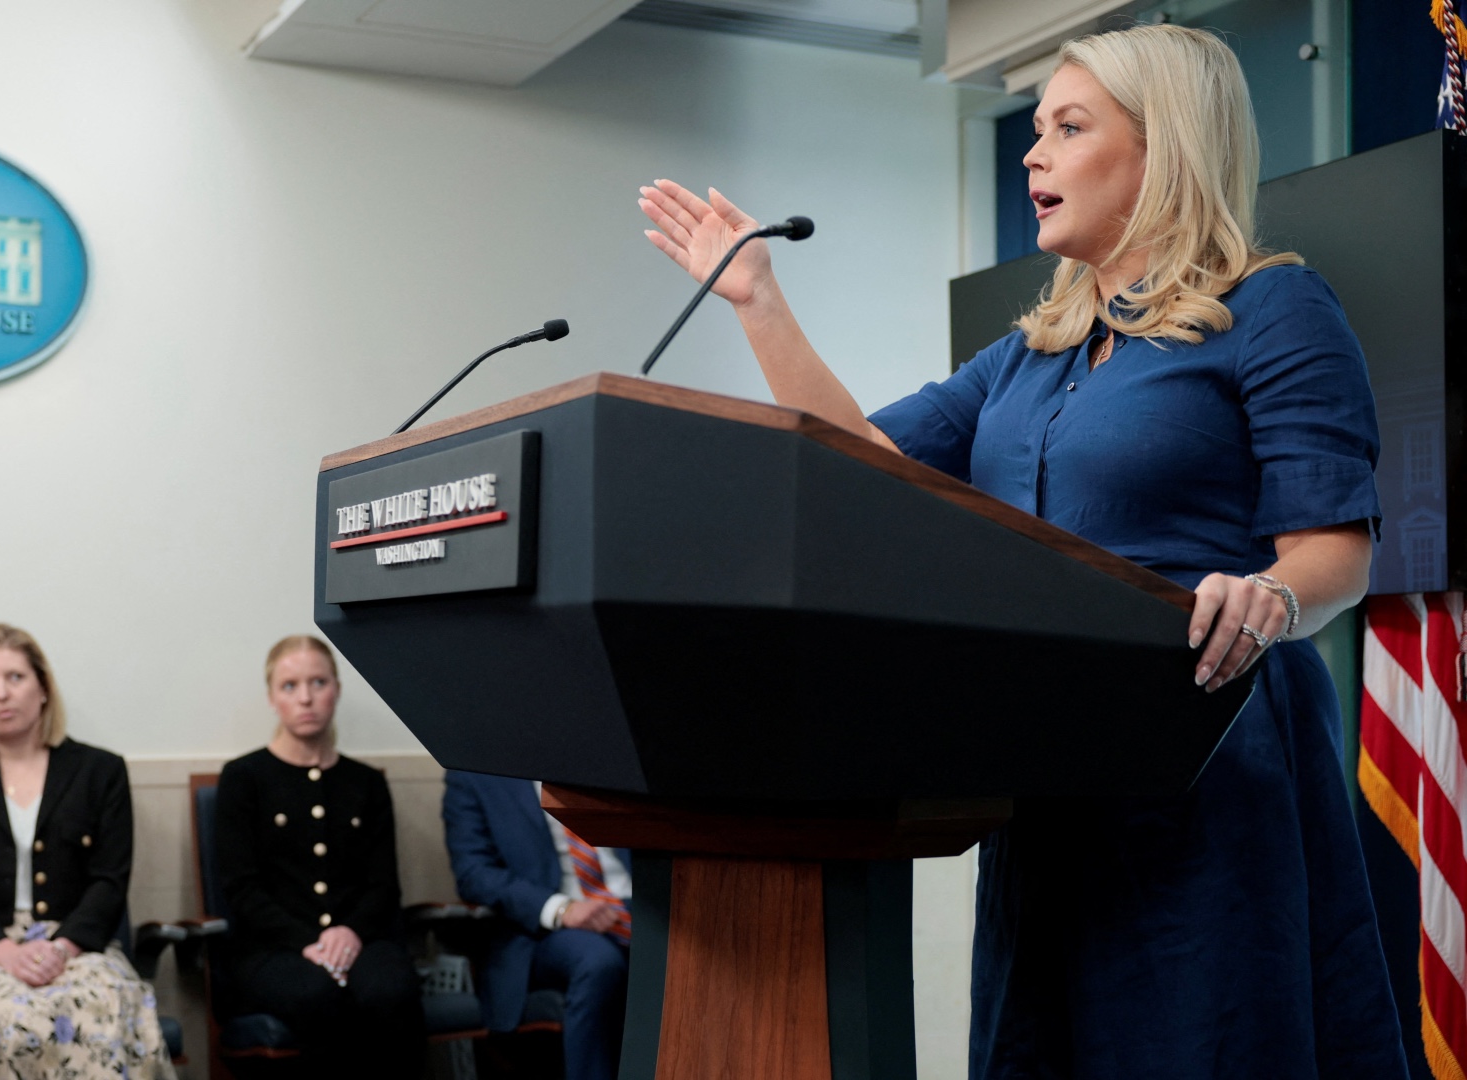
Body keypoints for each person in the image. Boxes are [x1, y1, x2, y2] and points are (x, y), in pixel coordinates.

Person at [638, 22, 1406, 1079]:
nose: (1034, 153)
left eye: (1069, 127)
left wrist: (1269, 595)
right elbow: (864, 468)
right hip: (1043, 769)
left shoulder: (1274, 307)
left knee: (1204, 1045)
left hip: (1208, 764)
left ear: (1164, 146)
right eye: (1035, 128)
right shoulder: (1026, 356)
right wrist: (759, 301)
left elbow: (1333, 552)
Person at [0, 623, 168, 1079]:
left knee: (97, 1011)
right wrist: (4, 952)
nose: (1, 693)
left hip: (76, 947)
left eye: (15, 677)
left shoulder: (100, 771)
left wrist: (61, 949)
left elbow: (110, 880)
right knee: (13, 1020)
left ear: (43, 687)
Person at [214, 634, 424, 1078]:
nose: (305, 698)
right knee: (315, 995)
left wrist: (349, 933)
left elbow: (383, 884)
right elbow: (241, 887)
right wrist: (309, 942)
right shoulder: (243, 778)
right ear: (272, 698)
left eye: (318, 683)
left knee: (390, 989)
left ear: (337, 690)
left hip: (361, 939)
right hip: (274, 948)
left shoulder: (366, 783)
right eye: (290, 686)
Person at [442, 771, 630, 1080]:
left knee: (694, 943)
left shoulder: (604, 759)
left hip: (638, 902)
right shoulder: (476, 772)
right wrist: (561, 909)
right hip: (546, 925)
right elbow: (474, 873)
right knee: (597, 962)